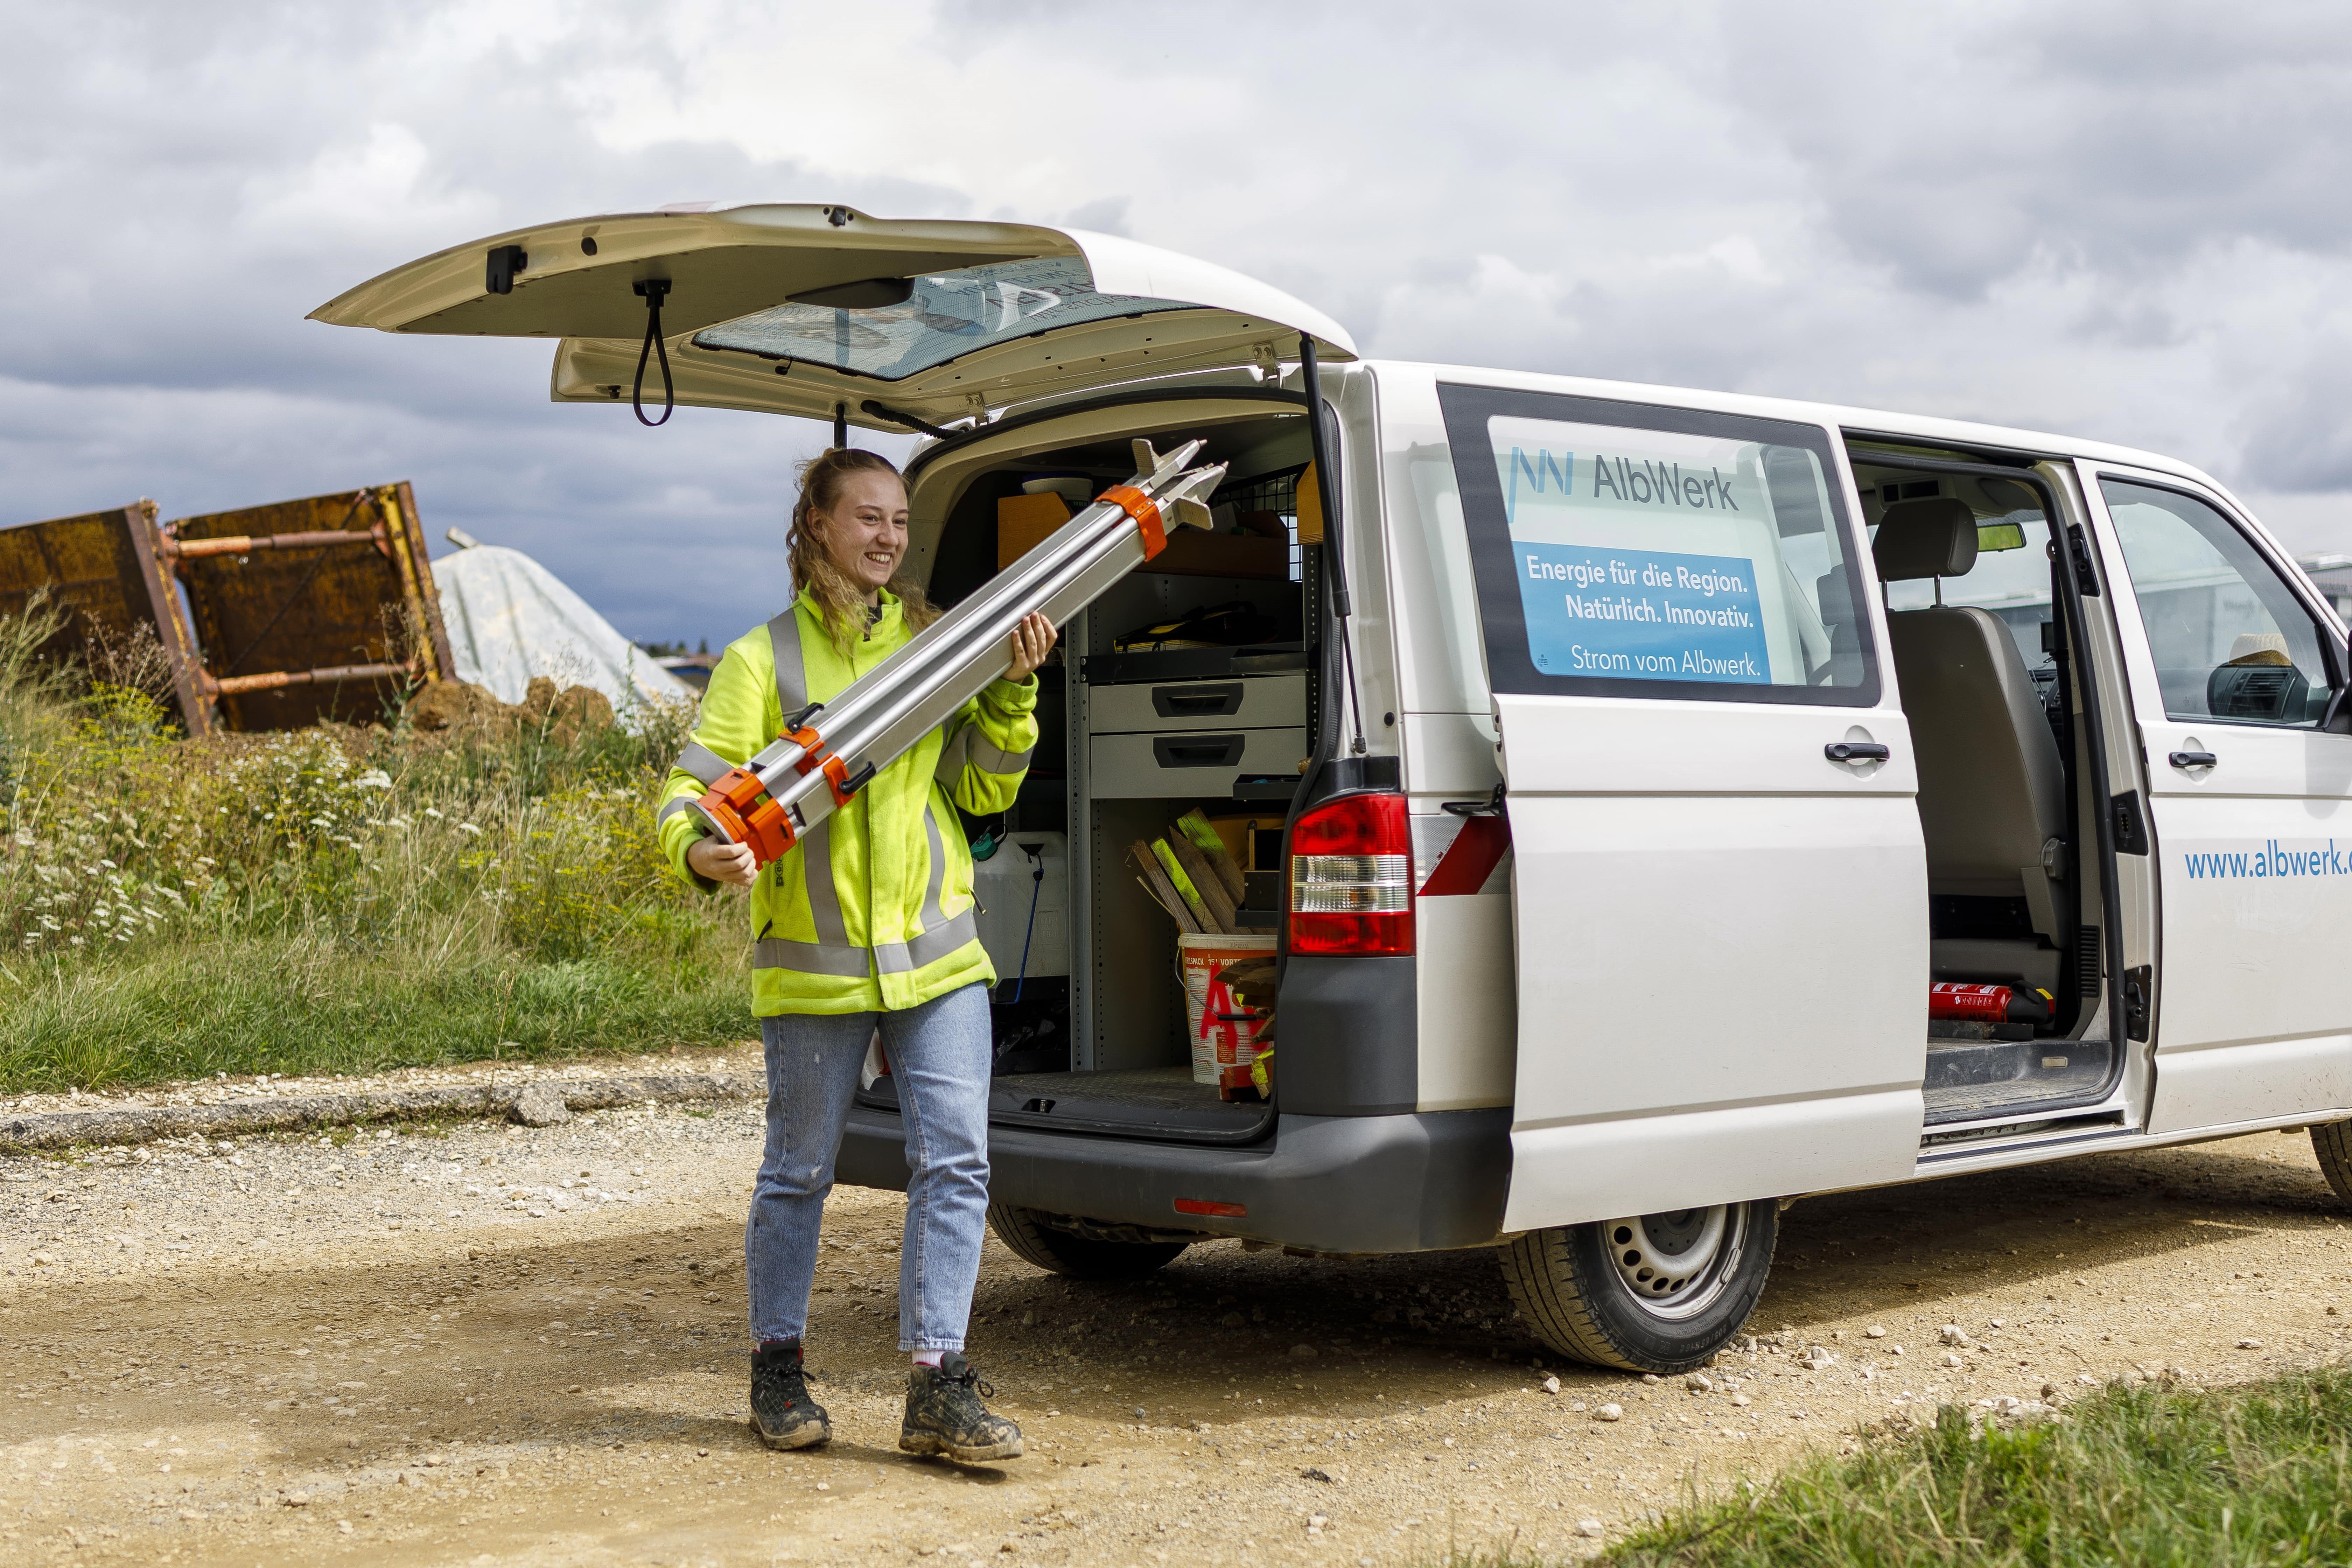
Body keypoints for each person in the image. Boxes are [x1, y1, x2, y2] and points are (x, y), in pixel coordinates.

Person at [656, 447, 1055, 1463]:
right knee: (798, 1172)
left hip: (936, 955)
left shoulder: (936, 644)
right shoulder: (764, 661)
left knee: (958, 1161)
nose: (887, 537)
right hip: (814, 964)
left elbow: (980, 794)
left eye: (899, 522)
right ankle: (778, 1368)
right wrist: (699, 852)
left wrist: (1012, 694)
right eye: (867, 518)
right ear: (819, 527)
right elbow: (687, 795)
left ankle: (937, 1384)